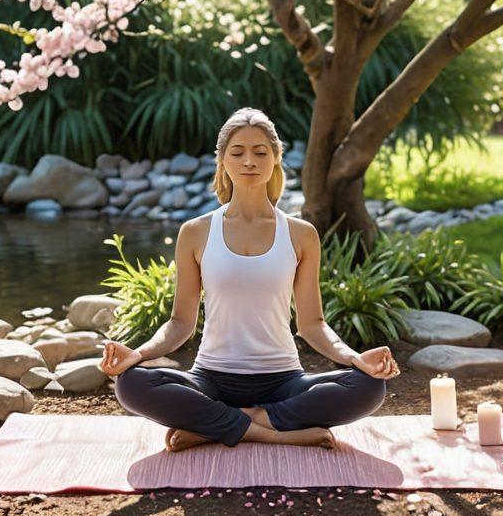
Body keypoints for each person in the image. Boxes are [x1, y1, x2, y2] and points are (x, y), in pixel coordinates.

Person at [102, 107, 400, 452]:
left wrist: (354, 358)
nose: (249, 161)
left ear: (275, 158)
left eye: (260, 152)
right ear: (222, 161)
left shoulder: (301, 234)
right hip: (211, 379)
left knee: (369, 388)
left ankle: (217, 426)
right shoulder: (196, 233)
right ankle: (271, 431)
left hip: (283, 380)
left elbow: (313, 324)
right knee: (131, 384)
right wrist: (136, 355)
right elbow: (180, 323)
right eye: (238, 152)